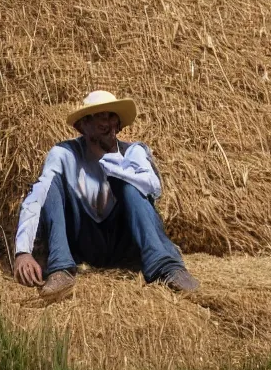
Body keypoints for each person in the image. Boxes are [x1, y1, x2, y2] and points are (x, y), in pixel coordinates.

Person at [14, 90, 199, 300]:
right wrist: (23, 252)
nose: (107, 121)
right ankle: (60, 269)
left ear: (119, 124)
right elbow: (37, 196)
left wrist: (113, 163)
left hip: (124, 241)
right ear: (82, 126)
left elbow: (153, 188)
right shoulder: (64, 153)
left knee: (132, 186)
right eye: (99, 115)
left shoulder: (133, 152)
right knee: (50, 185)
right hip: (83, 239)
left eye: (112, 116)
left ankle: (167, 267)